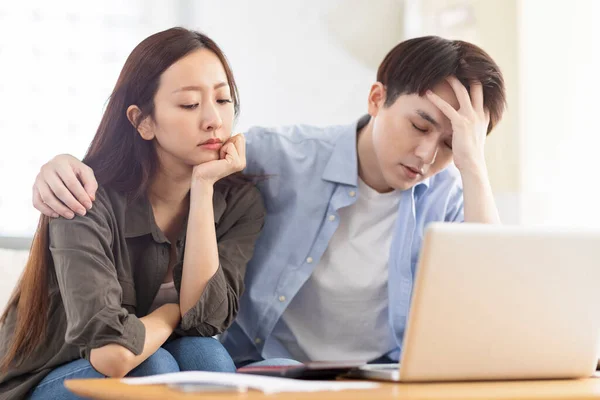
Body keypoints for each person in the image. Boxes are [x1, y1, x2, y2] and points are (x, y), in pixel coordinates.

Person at [30, 36, 505, 367]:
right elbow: (163, 153)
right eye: (421, 127)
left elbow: (492, 308)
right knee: (198, 357)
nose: (427, 154)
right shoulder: (278, 156)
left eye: (451, 145)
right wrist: (61, 163)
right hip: (267, 367)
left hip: (378, 374)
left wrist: (474, 167)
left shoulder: (447, 193)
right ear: (377, 98)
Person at [0, 27, 266, 400]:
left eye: (223, 100)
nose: (213, 120)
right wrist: (172, 311)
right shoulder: (83, 197)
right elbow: (114, 355)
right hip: (45, 382)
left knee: (207, 355)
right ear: (143, 121)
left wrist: (203, 188)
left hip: (145, 365)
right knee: (150, 368)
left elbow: (205, 320)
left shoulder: (239, 201)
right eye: (190, 104)